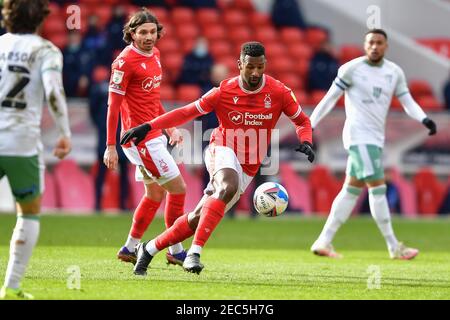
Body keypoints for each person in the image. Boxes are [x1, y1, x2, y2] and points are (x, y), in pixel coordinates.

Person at [121, 41, 315, 276]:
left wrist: (306, 140)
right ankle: (194, 254)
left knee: (196, 219)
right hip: (221, 148)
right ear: (239, 64)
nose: (255, 73)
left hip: (249, 165)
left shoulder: (279, 92)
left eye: (260, 67)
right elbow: (186, 112)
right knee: (227, 185)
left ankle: (148, 249)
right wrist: (149, 126)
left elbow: (302, 121)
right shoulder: (223, 91)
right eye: (250, 67)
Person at [309, 29, 437, 260]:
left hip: (375, 139)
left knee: (350, 190)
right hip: (359, 137)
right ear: (365, 45)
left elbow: (407, 101)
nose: (375, 47)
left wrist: (424, 119)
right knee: (378, 188)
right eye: (371, 42)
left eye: (379, 43)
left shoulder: (394, 72)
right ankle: (393, 246)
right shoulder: (351, 69)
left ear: (386, 46)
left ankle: (324, 241)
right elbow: (330, 99)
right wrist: (309, 125)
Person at [103, 8, 188, 267]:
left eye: (152, 32)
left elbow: (152, 99)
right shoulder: (124, 62)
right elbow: (113, 106)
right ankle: (175, 248)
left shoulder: (156, 55)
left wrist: (170, 127)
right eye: (142, 32)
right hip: (139, 140)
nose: (148, 37)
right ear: (131, 33)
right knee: (179, 189)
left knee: (154, 195)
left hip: (154, 134)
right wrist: (110, 146)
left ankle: (129, 247)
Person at [0, 0, 72, 299]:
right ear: (42, 19)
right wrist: (64, 133)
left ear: (7, 16)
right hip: (21, 142)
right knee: (28, 212)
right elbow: (54, 92)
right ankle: (11, 287)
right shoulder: (46, 51)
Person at [89, 66, 129, 212]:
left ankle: (123, 204)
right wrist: (102, 126)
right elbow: (92, 110)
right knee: (101, 170)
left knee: (124, 172)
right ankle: (97, 203)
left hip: (123, 134)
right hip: (106, 135)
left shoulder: (127, 86)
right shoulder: (100, 90)